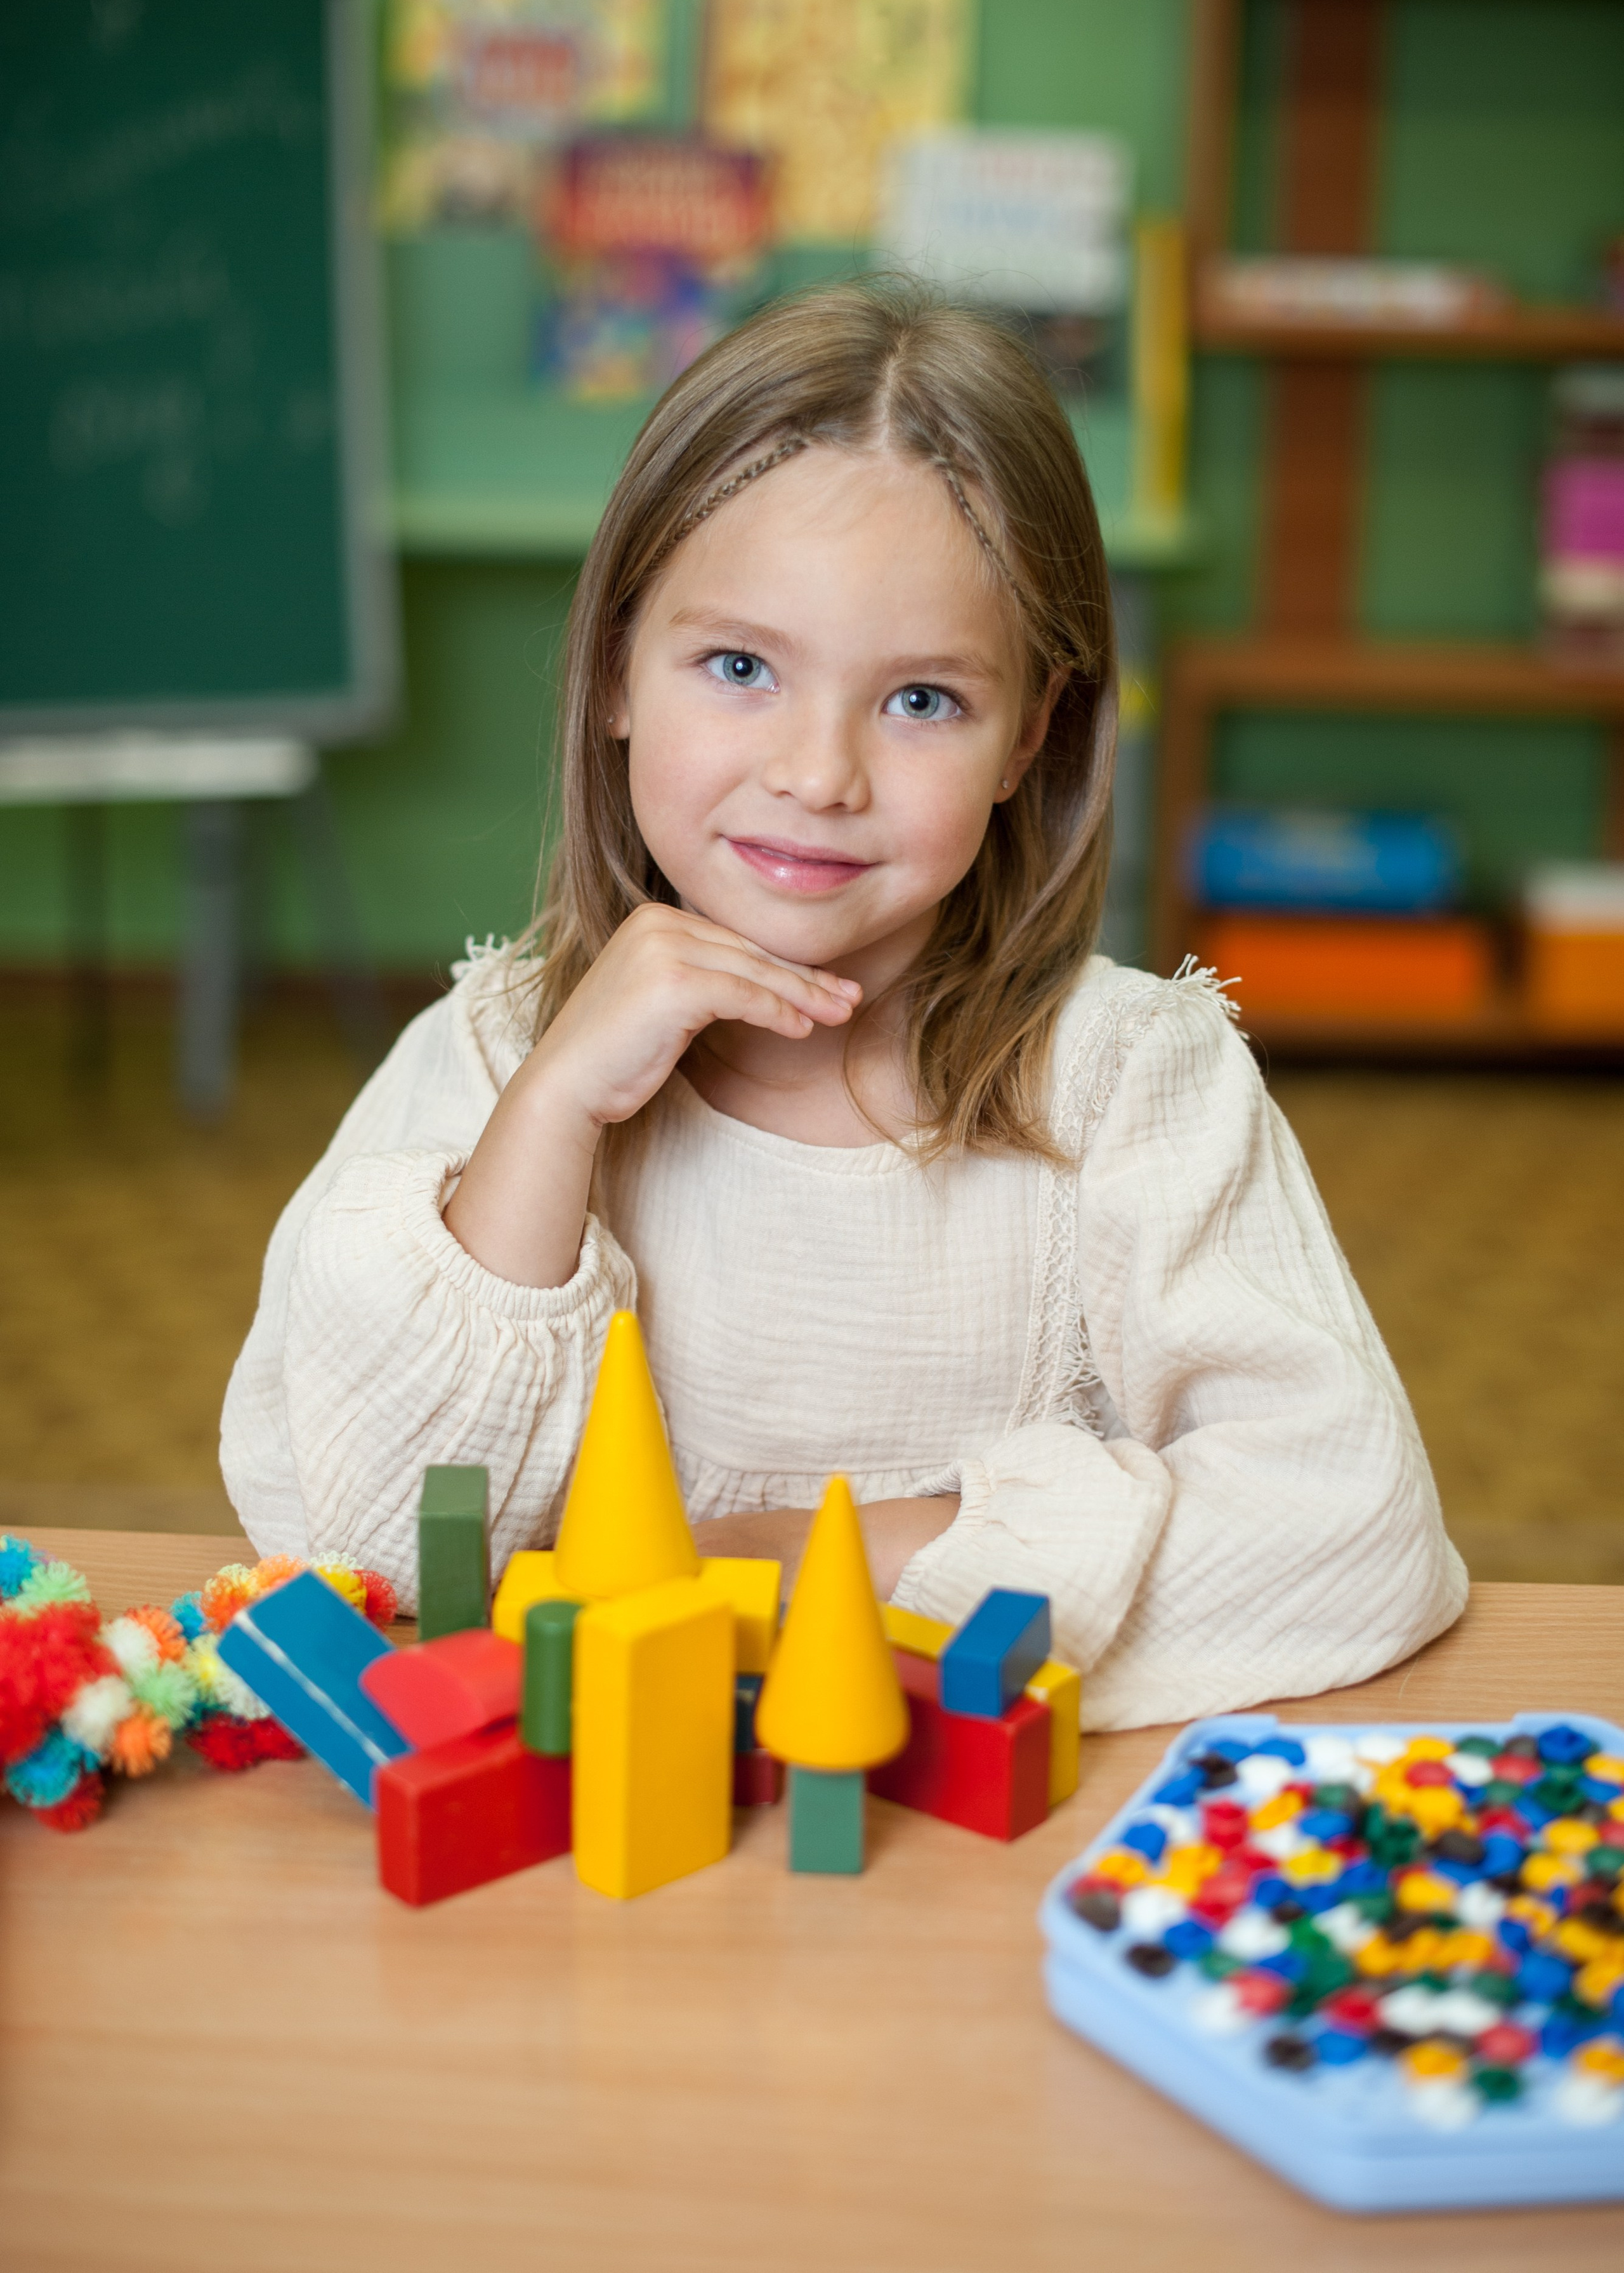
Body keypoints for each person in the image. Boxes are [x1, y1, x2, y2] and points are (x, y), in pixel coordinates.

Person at [223, 283, 1465, 1730]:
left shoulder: (1127, 1078)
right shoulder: (497, 1052)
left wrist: (808, 1562)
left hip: (966, 1887)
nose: (819, 773)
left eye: (922, 700)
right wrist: (549, 1120)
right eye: (739, 667)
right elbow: (360, 1560)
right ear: (617, 665)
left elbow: (1357, 1539)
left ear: (1032, 735)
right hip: (574, 1900)